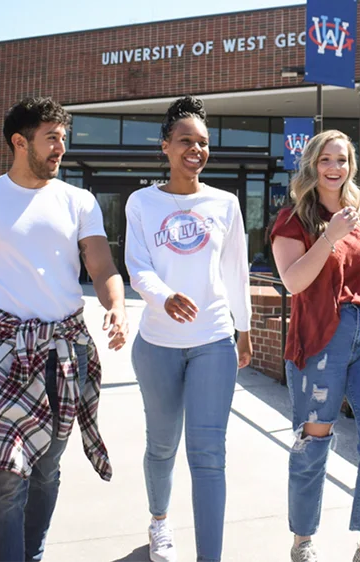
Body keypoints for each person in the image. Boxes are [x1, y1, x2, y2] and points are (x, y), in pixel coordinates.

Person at [0, 96, 128, 562]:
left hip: (66, 350)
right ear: (19, 142)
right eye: (52, 138)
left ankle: (32, 553)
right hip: (4, 351)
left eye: (64, 138)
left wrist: (116, 305)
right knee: (7, 477)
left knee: (46, 470)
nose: (61, 147)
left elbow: (102, 266)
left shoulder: (78, 201)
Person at [124, 96, 253, 562]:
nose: (195, 149)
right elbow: (136, 266)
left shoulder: (225, 203)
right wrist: (163, 295)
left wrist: (244, 328)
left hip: (213, 341)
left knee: (208, 454)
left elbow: (237, 270)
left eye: (202, 143)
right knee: (161, 446)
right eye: (185, 141)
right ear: (165, 146)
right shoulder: (142, 202)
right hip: (157, 343)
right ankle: (160, 522)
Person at [270, 130, 360, 562]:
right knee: (315, 442)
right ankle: (303, 541)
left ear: (351, 167)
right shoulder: (293, 220)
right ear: (312, 165)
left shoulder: (359, 216)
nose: (334, 168)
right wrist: (330, 236)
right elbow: (293, 282)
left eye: (342, 161)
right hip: (323, 338)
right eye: (326, 160)